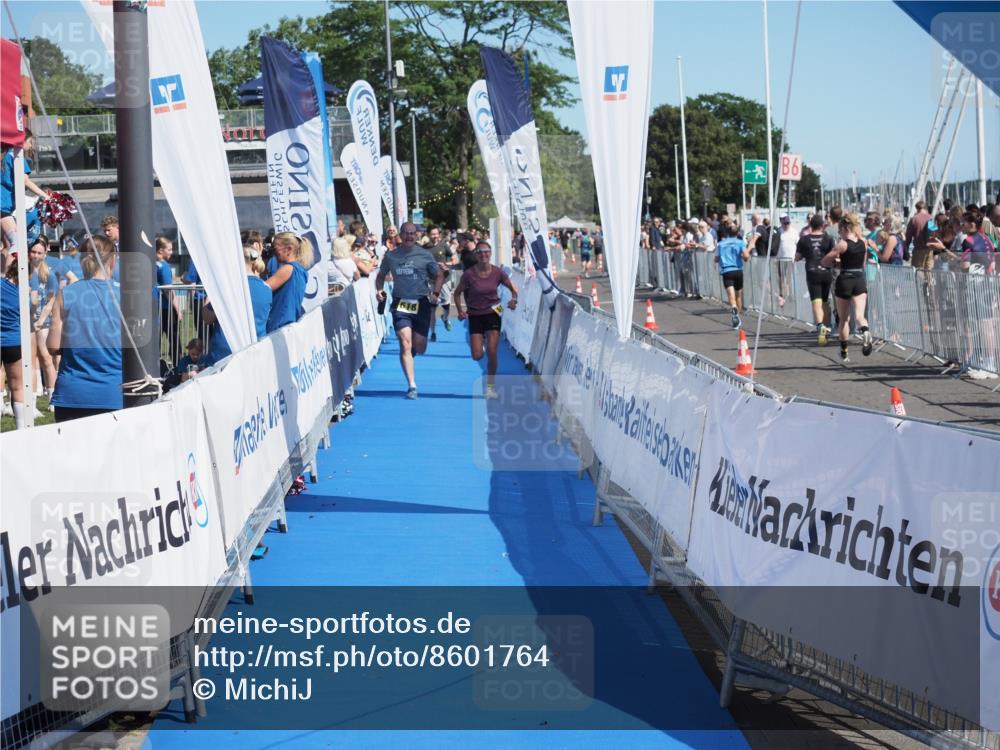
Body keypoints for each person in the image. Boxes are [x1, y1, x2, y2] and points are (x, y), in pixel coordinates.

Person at [46, 235, 122, 421]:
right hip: (114, 393)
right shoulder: (127, 295)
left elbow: (53, 346)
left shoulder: (65, 294)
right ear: (113, 260)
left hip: (72, 394)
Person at [375, 221, 444, 399]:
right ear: (400, 234)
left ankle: (410, 354)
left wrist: (436, 293)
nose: (409, 236)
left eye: (412, 233)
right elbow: (381, 276)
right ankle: (412, 386)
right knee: (405, 343)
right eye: (406, 233)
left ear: (417, 235)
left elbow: (439, 275)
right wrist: (379, 290)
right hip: (400, 305)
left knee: (419, 348)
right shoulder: (391, 256)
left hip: (421, 304)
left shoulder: (425, 255)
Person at [453, 241, 518, 399]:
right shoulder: (469, 274)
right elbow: (456, 293)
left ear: (490, 254)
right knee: (477, 355)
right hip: (475, 314)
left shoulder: (498, 272)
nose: (484, 255)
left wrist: (514, 300)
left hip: (493, 312)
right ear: (476, 254)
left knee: (493, 351)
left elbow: (513, 288)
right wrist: (460, 311)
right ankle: (479, 343)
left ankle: (490, 387)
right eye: (480, 252)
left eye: (486, 252)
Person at [203, 243, 272, 365]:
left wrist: (211, 294)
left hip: (226, 352)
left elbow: (207, 318)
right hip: (256, 349)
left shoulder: (228, 287)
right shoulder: (266, 288)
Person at [821, 213, 873, 362]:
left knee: (844, 319)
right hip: (859, 279)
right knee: (859, 316)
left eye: (840, 230)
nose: (840, 233)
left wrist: (835, 262)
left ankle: (844, 352)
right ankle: (865, 331)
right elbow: (863, 264)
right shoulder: (863, 242)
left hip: (845, 279)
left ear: (844, 228)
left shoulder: (842, 244)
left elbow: (825, 261)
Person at [1, 130, 50, 250]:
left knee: (6, 245)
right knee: (17, 243)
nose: (31, 146)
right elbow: (25, 181)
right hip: (2, 205)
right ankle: (13, 269)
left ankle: (5, 269)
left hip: (4, 206)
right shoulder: (17, 157)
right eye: (30, 142)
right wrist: (46, 196)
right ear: (22, 141)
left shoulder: (5, 156)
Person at [795, 214, 834, 345]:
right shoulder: (828, 238)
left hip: (812, 272)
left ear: (810, 225)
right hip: (826, 272)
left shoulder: (804, 239)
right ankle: (828, 328)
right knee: (825, 301)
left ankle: (820, 326)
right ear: (822, 225)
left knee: (816, 302)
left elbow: (797, 257)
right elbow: (832, 255)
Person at [28, 237, 58, 396]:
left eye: (39, 252)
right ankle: (35, 391)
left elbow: (51, 300)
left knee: (45, 356)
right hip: (25, 320)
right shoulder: (22, 271)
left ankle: (52, 394)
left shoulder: (48, 274)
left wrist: (40, 320)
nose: (36, 255)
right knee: (30, 358)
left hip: (42, 320)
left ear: (45, 254)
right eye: (33, 251)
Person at [265, 232, 311, 332]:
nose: (273, 253)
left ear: (288, 249)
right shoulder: (301, 270)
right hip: (290, 322)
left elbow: (263, 290)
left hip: (280, 323)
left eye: (275, 249)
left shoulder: (288, 269)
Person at [1, 253, 27, 427]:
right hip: (14, 341)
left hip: (7, 339)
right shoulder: (22, 292)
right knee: (17, 387)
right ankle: (21, 427)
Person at [715, 223, 751, 329]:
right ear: (738, 233)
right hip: (737, 270)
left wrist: (722, 258)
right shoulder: (740, 242)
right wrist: (743, 256)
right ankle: (737, 316)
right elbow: (746, 256)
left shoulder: (720, 244)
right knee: (738, 295)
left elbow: (716, 259)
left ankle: (734, 310)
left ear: (727, 232)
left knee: (731, 296)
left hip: (727, 271)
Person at [155, 236, 183, 363]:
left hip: (155, 307)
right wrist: (178, 309)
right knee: (173, 337)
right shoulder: (164, 266)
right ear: (160, 251)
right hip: (166, 308)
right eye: (169, 250)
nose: (172, 252)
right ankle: (178, 363)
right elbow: (168, 290)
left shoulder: (151, 263)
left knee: (157, 337)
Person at [427, 226, 456, 342]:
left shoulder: (444, 245)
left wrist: (447, 264)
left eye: (436, 234)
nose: (435, 236)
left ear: (439, 234)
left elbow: (455, 260)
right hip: (431, 281)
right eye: (432, 234)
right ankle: (433, 333)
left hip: (444, 280)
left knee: (446, 306)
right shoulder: (424, 248)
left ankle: (444, 318)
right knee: (432, 308)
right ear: (428, 235)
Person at [905, 200, 933, 270]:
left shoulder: (914, 219)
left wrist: (906, 248)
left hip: (918, 249)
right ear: (925, 208)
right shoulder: (930, 217)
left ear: (917, 208)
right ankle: (930, 281)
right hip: (930, 249)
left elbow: (908, 236)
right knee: (929, 271)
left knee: (918, 271)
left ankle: (920, 281)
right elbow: (934, 233)